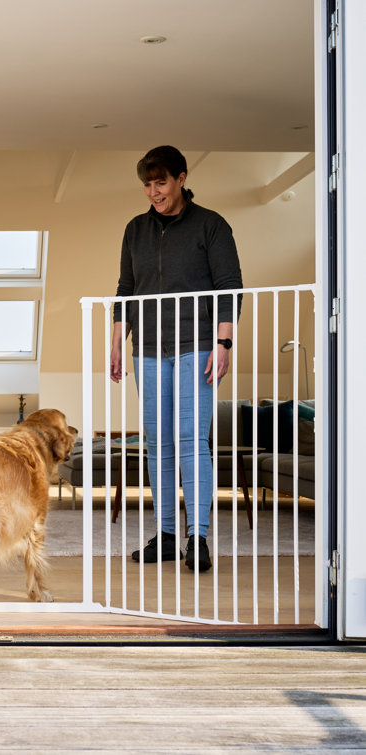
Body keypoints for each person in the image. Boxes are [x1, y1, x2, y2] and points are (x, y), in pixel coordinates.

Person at [110, 145, 243, 572]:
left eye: (161, 182)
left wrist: (222, 345)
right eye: (148, 185)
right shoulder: (136, 229)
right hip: (148, 348)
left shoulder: (211, 226)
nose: (154, 191)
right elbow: (125, 290)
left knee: (191, 442)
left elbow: (229, 288)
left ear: (181, 178)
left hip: (197, 346)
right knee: (157, 443)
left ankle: (197, 537)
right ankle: (167, 535)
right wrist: (116, 341)